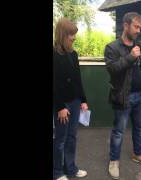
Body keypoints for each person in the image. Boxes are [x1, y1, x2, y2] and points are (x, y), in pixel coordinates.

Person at [104, 12, 141, 179]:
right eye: (136, 26)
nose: (139, 30)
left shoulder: (140, 45)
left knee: (139, 128)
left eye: (140, 27)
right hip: (123, 97)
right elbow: (112, 69)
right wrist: (130, 57)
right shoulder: (112, 47)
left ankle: (139, 154)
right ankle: (114, 160)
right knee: (118, 131)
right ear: (125, 25)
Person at [53, 17, 89, 180]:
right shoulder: (53, 54)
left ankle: (71, 169)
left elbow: (77, 79)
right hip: (62, 104)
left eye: (74, 34)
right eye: (71, 34)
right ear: (62, 34)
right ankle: (57, 172)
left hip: (75, 102)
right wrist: (60, 107)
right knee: (60, 140)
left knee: (72, 137)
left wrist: (83, 100)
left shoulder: (73, 54)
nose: (74, 37)